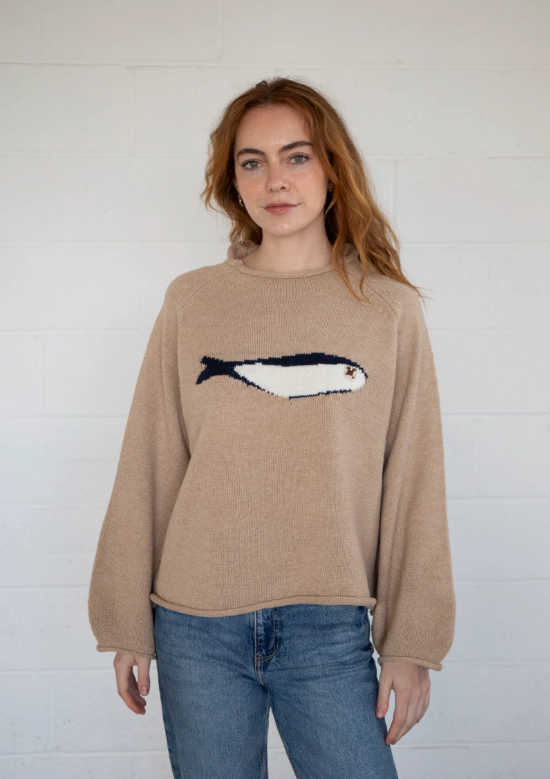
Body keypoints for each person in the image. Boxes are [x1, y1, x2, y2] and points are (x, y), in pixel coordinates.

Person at [88, 76, 456, 779]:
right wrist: (124, 618)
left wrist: (411, 640)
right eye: (251, 161)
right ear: (232, 179)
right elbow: (150, 458)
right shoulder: (193, 300)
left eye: (297, 156)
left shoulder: (387, 309)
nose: (274, 180)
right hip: (195, 624)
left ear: (332, 169)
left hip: (330, 626)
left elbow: (414, 477)